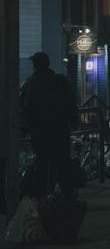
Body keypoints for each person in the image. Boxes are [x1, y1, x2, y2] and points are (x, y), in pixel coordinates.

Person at [19, 52, 78, 199]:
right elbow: (71, 103)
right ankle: (67, 193)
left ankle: (43, 195)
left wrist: (24, 128)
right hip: (60, 129)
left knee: (42, 163)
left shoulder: (30, 84)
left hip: (39, 130)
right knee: (62, 162)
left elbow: (23, 107)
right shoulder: (61, 82)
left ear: (35, 66)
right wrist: (73, 121)